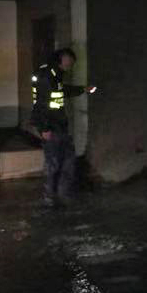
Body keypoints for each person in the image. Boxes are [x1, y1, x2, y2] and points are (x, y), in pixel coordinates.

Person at [31, 48, 96, 206]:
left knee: (67, 160)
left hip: (59, 125)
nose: (71, 64)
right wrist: (45, 128)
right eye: (69, 60)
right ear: (61, 59)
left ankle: (62, 194)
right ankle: (50, 198)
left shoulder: (56, 74)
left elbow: (61, 91)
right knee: (53, 163)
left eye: (72, 62)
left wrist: (83, 89)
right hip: (51, 126)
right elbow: (42, 104)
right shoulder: (47, 75)